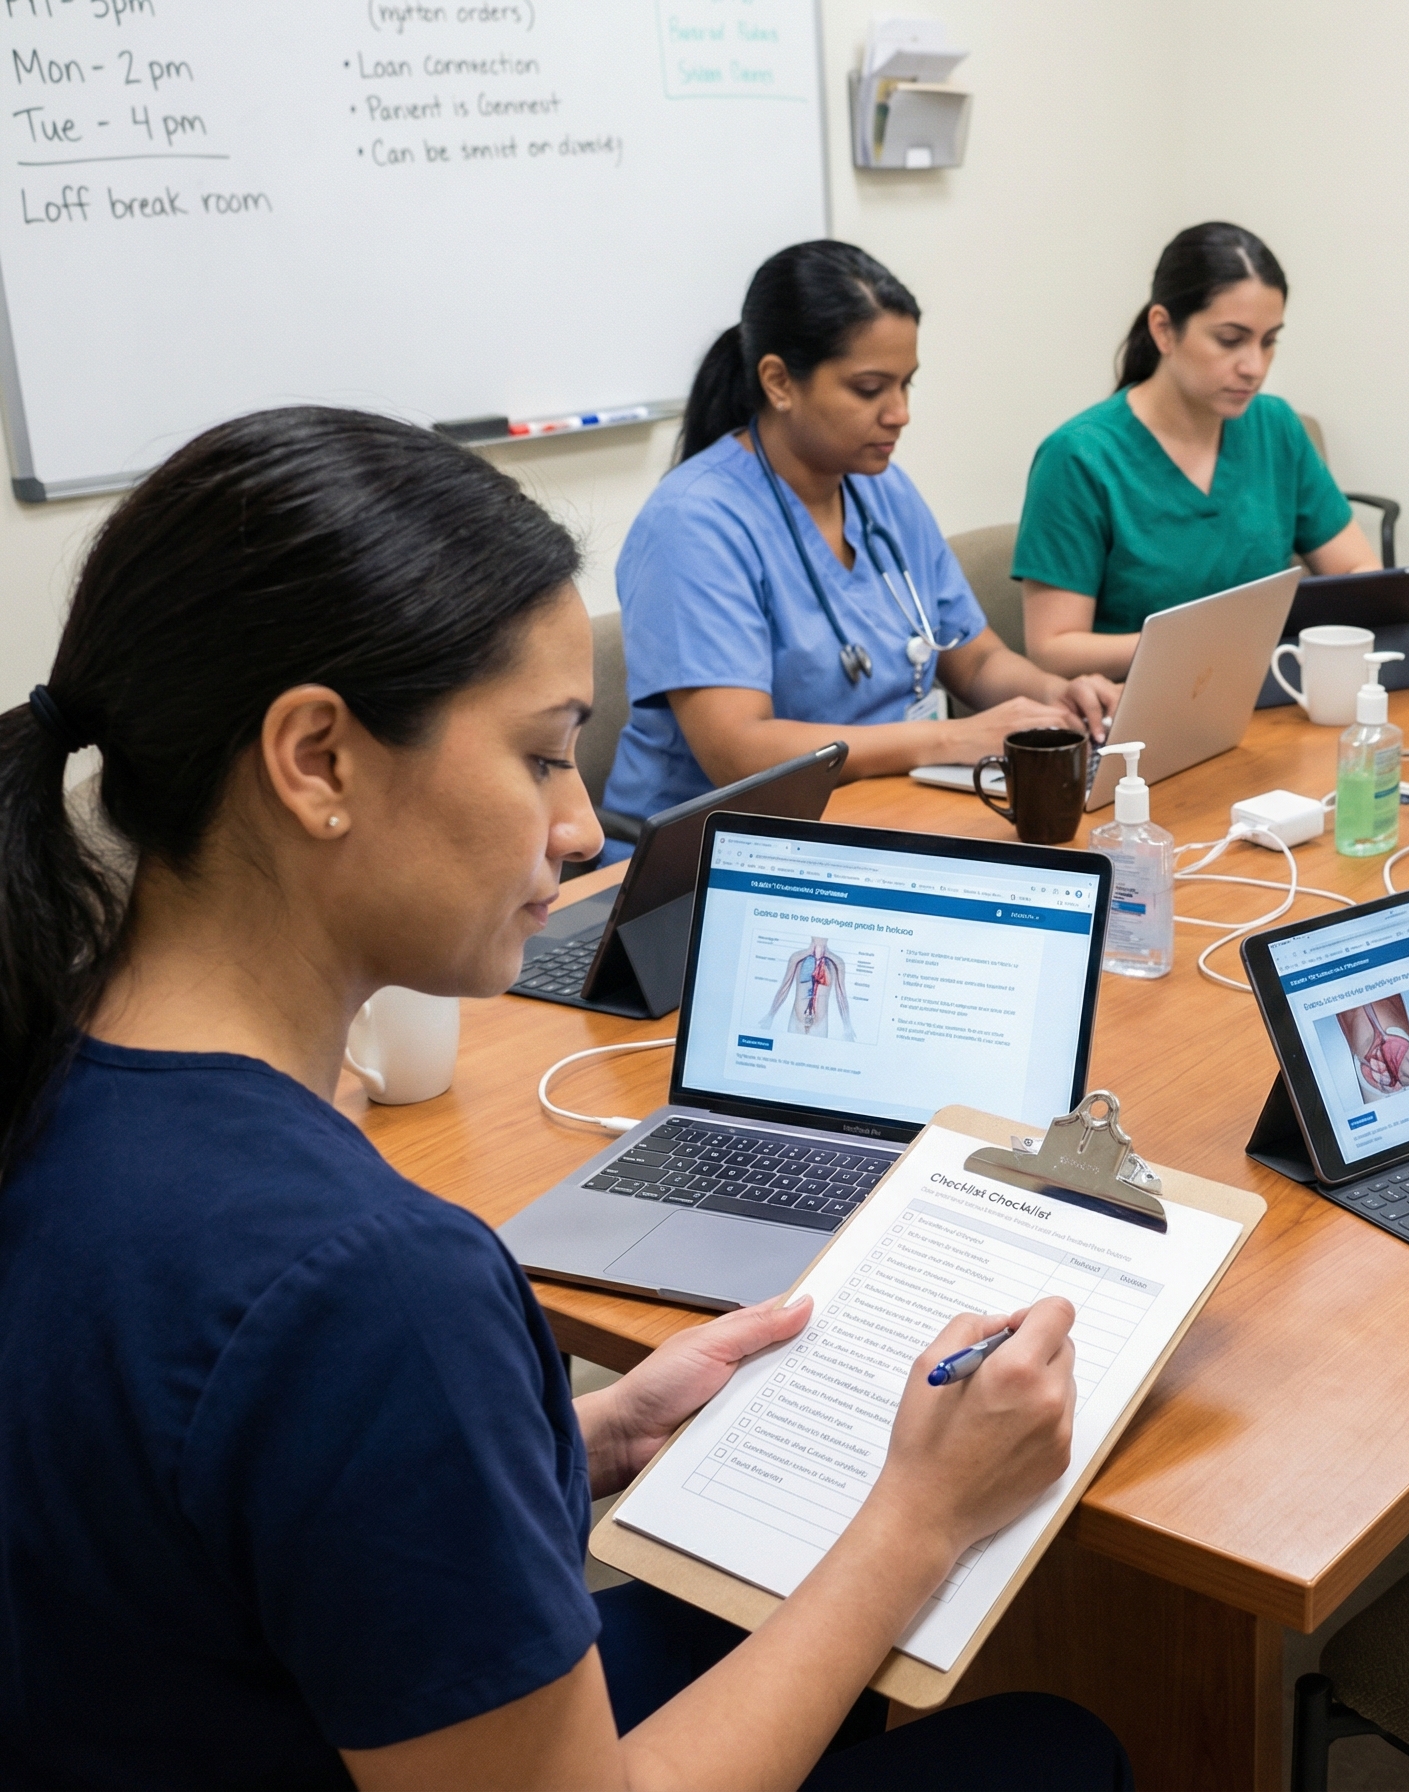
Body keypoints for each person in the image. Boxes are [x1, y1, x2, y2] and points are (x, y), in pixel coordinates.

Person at [0, 407, 1128, 1790]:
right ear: (317, 761)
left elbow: (217, 1503)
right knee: (1052, 1746)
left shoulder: (48, 1078)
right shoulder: (369, 1282)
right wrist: (919, 1520)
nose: (582, 826)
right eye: (541, 755)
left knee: (750, 1625)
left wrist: (585, 1436)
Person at [604, 242, 1118, 826]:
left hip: (879, 815)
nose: (899, 413)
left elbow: (974, 662)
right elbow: (740, 752)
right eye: (870, 389)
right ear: (779, 382)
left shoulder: (882, 489)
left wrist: (1051, 698)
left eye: (907, 385)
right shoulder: (694, 523)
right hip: (707, 860)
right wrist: (949, 740)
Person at [1013, 222, 1380, 680]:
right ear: (1164, 330)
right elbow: (1054, 648)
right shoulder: (1079, 457)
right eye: (1230, 340)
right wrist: (1211, 644)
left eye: (1269, 342)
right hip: (1141, 715)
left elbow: (1358, 568)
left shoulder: (1275, 428)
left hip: (1268, 695)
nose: (1254, 367)